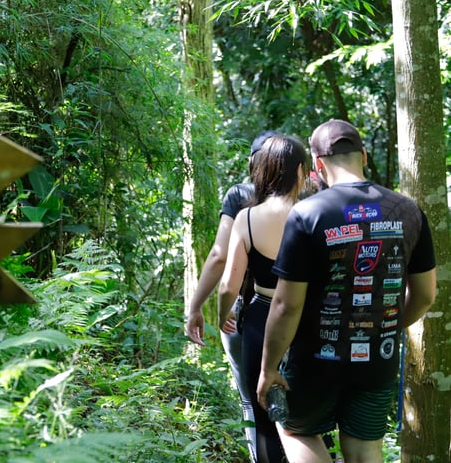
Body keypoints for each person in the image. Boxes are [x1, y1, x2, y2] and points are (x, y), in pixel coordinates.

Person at [256, 120, 437, 463]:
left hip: (316, 360)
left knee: (297, 429)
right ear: (364, 156)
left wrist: (268, 368)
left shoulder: (308, 214)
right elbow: (426, 295)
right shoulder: (409, 212)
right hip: (378, 358)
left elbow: (285, 305)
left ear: (318, 165)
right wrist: (385, 328)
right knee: (365, 449)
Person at [186, 129, 279, 462]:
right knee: (297, 399)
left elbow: (219, 256)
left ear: (253, 162)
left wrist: (198, 307)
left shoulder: (241, 195)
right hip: (297, 311)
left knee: (251, 399)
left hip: (247, 310)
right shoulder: (309, 194)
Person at [218, 134, 309, 463]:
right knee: (308, 417)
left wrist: (221, 315)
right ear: (300, 172)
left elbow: (229, 283)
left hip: (260, 319)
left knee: (264, 418)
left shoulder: (247, 218)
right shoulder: (314, 214)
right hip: (308, 320)